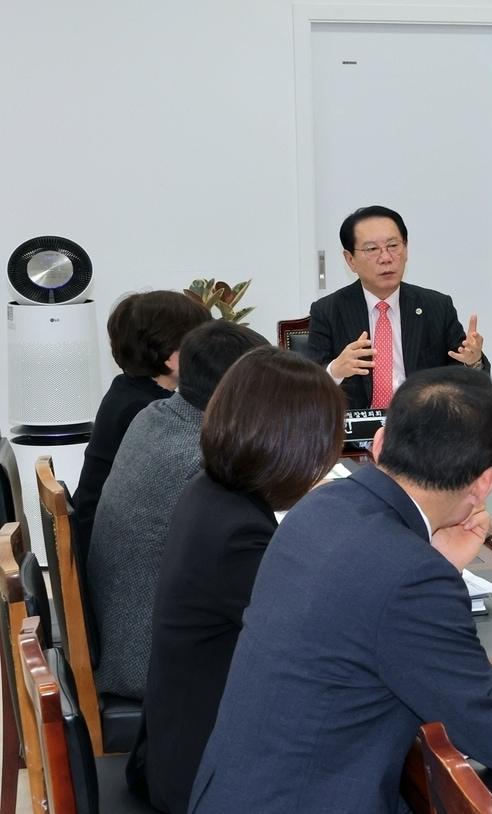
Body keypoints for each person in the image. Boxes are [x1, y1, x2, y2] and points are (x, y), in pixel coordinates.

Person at [189, 367, 492, 813]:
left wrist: (433, 558)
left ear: (379, 442)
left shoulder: (321, 508)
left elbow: (362, 608)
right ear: (485, 483)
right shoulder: (410, 576)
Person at [137, 347, 346, 813]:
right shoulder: (238, 535)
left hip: (187, 742)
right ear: (295, 442)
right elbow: (326, 642)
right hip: (210, 778)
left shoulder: (213, 494)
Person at [87, 321, 268, 703]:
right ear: (242, 391)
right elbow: (251, 580)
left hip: (126, 632)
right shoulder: (200, 462)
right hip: (153, 664)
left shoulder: (154, 415)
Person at [308, 205, 491, 409]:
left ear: (405, 250)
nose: (386, 258)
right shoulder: (327, 311)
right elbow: (307, 389)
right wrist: (335, 370)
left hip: (421, 429)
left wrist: (473, 362)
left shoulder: (437, 307)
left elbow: (467, 379)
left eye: (393, 245)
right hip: (356, 436)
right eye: (372, 249)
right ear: (350, 260)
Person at [73, 291, 211, 560]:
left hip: (103, 539)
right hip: (122, 556)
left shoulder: (126, 390)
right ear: (172, 358)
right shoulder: (150, 413)